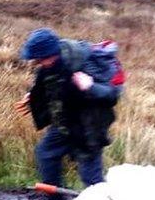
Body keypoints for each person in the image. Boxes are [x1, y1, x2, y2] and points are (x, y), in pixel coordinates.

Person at [17, 28, 123, 190]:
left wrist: (91, 87)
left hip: (89, 129)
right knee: (46, 154)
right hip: (64, 124)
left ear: (51, 54)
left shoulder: (84, 63)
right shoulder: (48, 66)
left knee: (91, 178)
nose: (36, 62)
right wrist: (33, 97)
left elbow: (112, 95)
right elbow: (49, 84)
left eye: (39, 59)